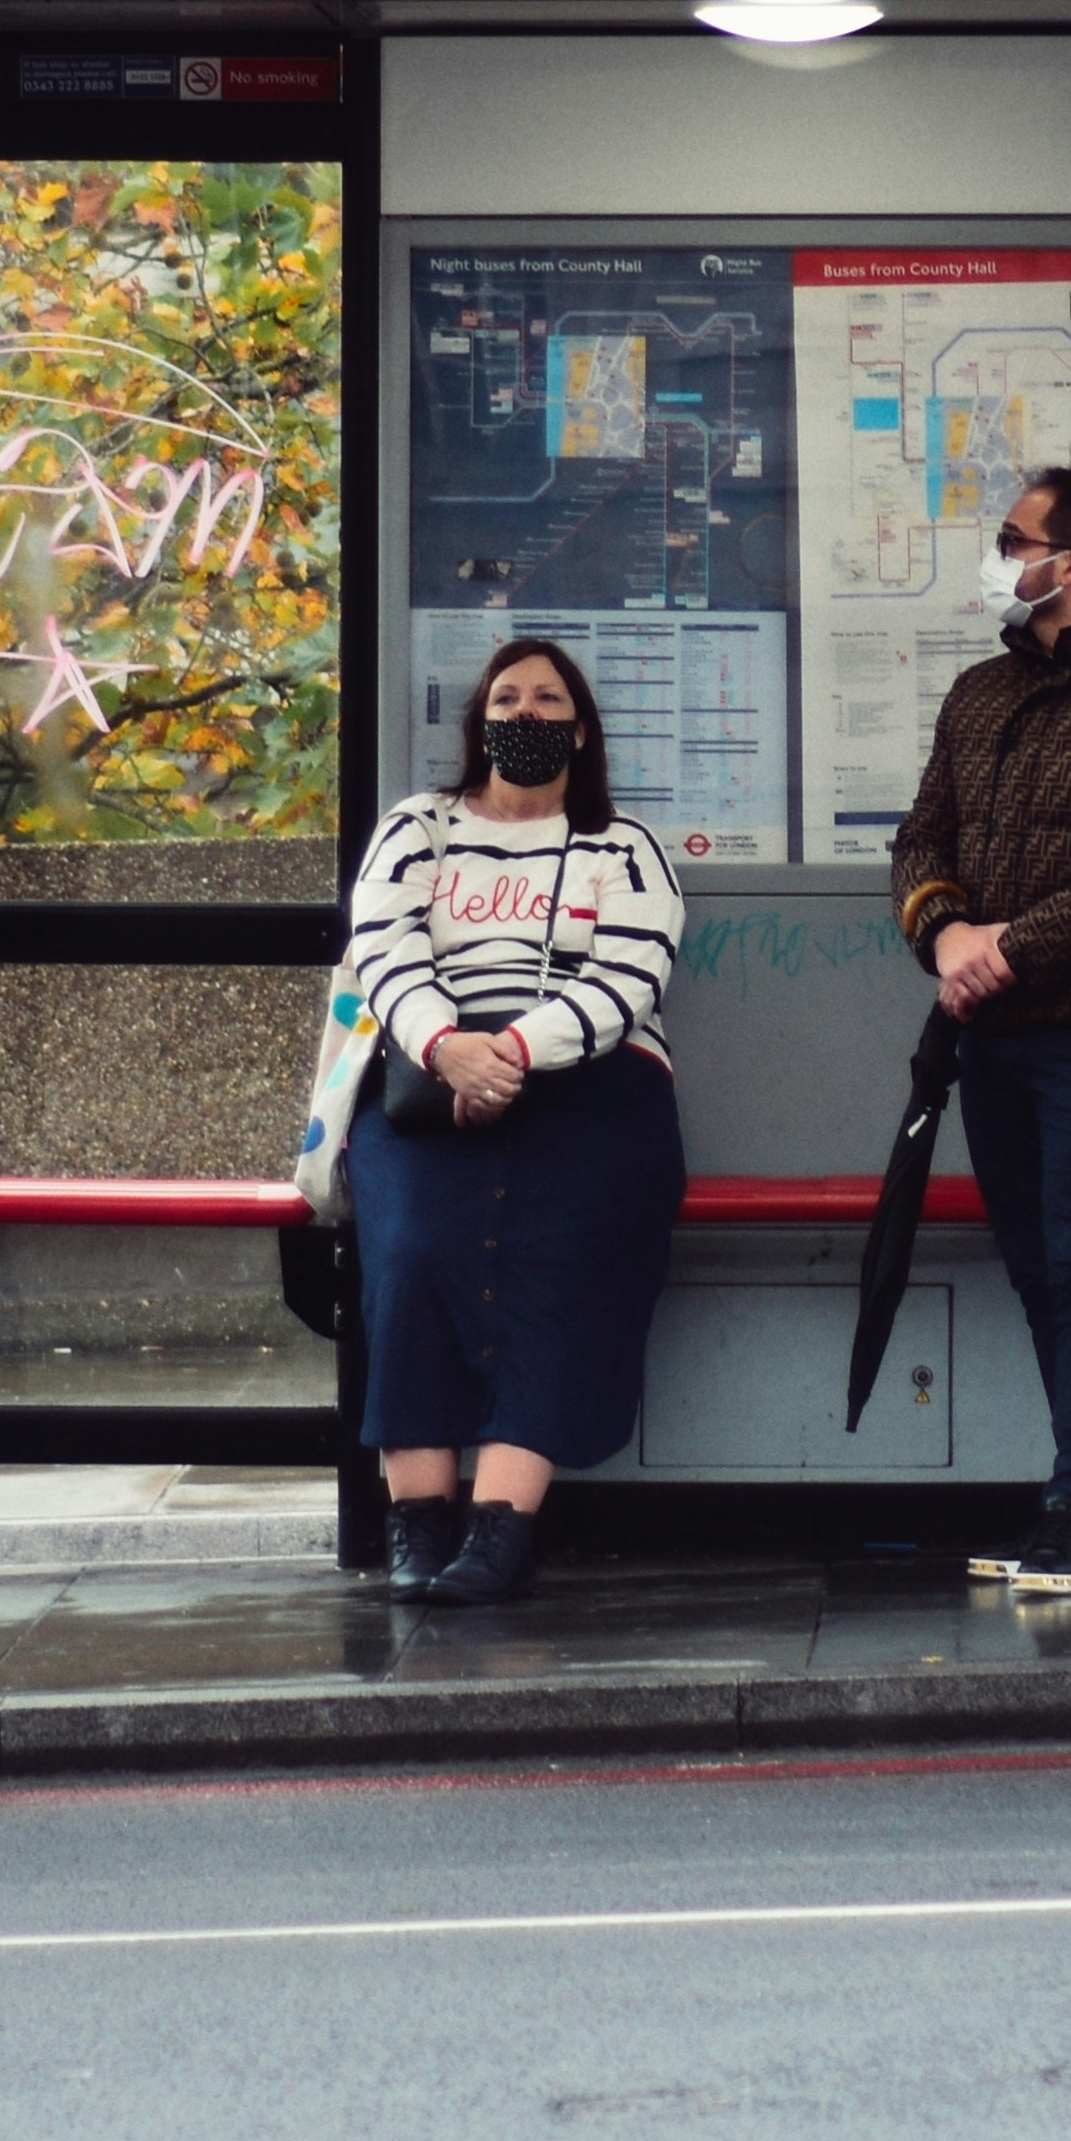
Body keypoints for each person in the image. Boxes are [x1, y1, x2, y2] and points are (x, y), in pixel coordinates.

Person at [337, 637, 688, 1608]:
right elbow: (383, 946)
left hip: (592, 1086)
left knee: (561, 1257)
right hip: (428, 1078)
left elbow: (630, 975)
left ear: (581, 727)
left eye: (547, 699)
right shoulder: (419, 826)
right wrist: (448, 1045)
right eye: (507, 697)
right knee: (409, 1256)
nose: (525, 714)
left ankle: (500, 1527)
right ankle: (418, 1521)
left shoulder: (624, 845)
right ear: (478, 720)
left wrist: (514, 1053)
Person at [886, 463, 1071, 1602]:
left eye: (1015, 537)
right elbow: (923, 836)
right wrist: (947, 933)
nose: (1000, 553)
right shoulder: (979, 691)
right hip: (990, 1035)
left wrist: (1012, 945)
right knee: (1034, 1267)